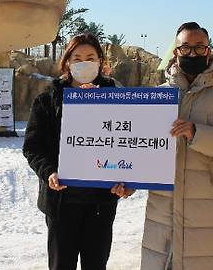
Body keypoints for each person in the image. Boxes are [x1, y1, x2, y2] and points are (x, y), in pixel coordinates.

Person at [141, 22, 213, 270]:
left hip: (207, 209)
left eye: (199, 48)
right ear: (175, 52)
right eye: (185, 48)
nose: (192, 53)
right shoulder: (157, 97)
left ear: (208, 50)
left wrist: (197, 133)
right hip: (162, 211)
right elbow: (137, 148)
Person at [22, 33, 133, 270]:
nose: (84, 63)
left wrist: (127, 179)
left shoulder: (118, 99)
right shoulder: (47, 100)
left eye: (90, 57)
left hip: (100, 204)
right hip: (62, 203)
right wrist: (49, 172)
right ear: (67, 62)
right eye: (78, 57)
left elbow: (129, 143)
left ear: (101, 62)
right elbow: (33, 147)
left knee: (96, 264)